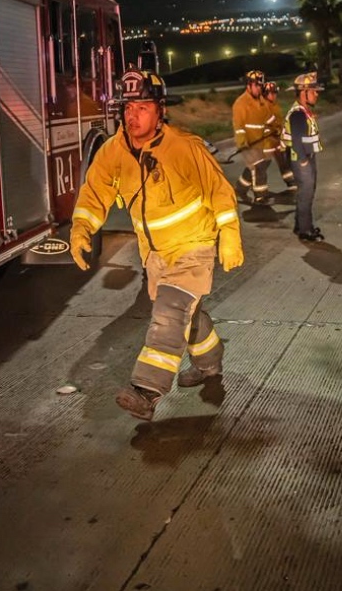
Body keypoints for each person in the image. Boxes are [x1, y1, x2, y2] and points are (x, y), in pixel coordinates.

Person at [69, 69, 243, 421]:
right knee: (186, 315)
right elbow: (94, 193)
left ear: (160, 109)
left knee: (168, 314)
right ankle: (210, 363)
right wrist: (81, 226)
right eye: (128, 107)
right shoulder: (112, 151)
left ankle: (146, 391)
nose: (133, 116)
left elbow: (220, 193)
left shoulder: (184, 148)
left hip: (193, 245)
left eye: (143, 107)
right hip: (156, 255)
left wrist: (230, 236)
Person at [282, 72, 324, 242]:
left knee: (306, 192)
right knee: (306, 194)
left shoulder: (304, 111)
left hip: (306, 157)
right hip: (301, 160)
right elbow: (297, 140)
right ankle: (306, 230)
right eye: (313, 91)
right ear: (303, 92)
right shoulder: (298, 113)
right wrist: (304, 160)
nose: (317, 94)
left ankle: (300, 225)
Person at [231, 70, 273, 204]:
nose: (259, 88)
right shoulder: (241, 103)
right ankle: (260, 196)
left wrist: (276, 131)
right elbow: (239, 126)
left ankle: (240, 189)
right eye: (256, 85)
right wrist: (242, 143)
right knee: (258, 166)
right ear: (248, 85)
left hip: (260, 142)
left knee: (257, 165)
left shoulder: (262, 101)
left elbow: (268, 120)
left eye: (261, 86)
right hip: (248, 143)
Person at [261, 81, 297, 193]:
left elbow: (278, 121)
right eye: (271, 93)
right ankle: (249, 185)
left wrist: (281, 130)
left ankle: (291, 182)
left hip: (276, 139)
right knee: (262, 164)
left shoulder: (274, 105)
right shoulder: (263, 106)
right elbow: (268, 121)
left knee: (283, 160)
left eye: (275, 93)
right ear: (265, 94)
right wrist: (275, 129)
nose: (273, 95)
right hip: (267, 140)